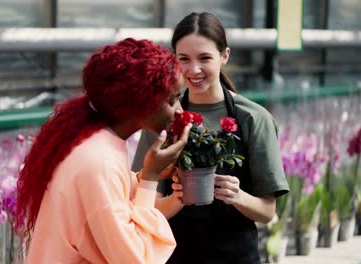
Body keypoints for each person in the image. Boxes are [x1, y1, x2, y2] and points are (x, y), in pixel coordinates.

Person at [15, 38, 192, 263]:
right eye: (172, 100)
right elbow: (136, 258)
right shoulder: (100, 162)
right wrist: (149, 178)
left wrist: (145, 178)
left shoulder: (94, 142)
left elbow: (112, 206)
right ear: (138, 102)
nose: (179, 111)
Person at [132, 12, 289, 263]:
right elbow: (142, 205)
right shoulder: (160, 117)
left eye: (205, 58)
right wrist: (176, 200)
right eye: (184, 59)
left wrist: (238, 196)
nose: (194, 69)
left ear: (224, 56)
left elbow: (267, 211)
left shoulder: (253, 118)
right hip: (174, 256)